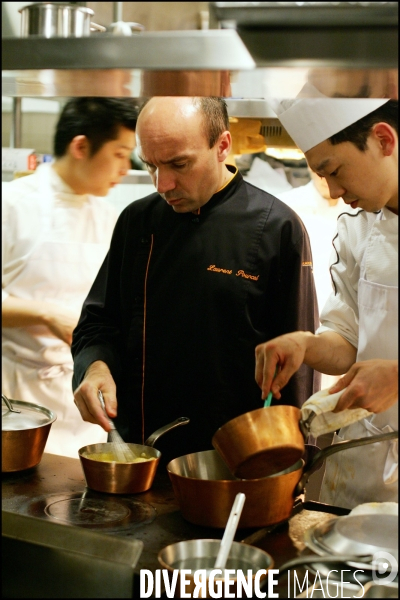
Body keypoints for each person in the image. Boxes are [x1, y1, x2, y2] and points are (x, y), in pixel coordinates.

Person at [72, 96, 320, 464]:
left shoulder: (277, 228)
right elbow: (98, 323)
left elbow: (298, 365)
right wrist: (94, 367)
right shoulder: (137, 222)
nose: (162, 184)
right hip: (136, 456)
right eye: (150, 165)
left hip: (231, 465)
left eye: (179, 164)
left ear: (222, 146)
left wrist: (288, 464)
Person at [256, 96, 398, 508]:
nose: (333, 192)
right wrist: (306, 345)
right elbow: (348, 341)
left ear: (383, 140)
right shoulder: (359, 229)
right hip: (362, 467)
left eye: (334, 171)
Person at [2, 97, 137, 458]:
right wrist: (46, 314)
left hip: (83, 404)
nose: (126, 167)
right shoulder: (12, 204)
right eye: (120, 153)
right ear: (80, 146)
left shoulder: (110, 217)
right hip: (16, 401)